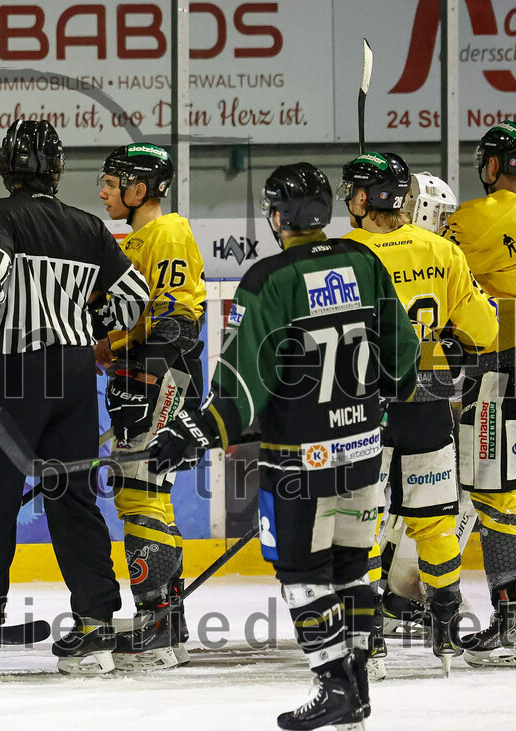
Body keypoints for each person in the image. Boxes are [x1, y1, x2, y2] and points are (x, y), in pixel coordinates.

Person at [149, 162, 419, 729]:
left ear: (280, 216)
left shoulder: (269, 278)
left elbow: (242, 386)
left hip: (301, 461)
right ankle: (357, 691)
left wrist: (189, 432)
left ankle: (334, 685)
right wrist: (381, 397)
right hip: (363, 452)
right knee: (352, 568)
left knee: (302, 572)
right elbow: (402, 356)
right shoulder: (364, 260)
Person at [0, 120, 151, 677]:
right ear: (58, 170)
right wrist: (91, 322)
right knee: (75, 501)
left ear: (6, 167)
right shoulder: (88, 226)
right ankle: (95, 625)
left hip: (16, 375)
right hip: (73, 375)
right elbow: (134, 296)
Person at [337, 151, 497, 677]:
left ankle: (368, 642)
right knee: (435, 523)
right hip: (427, 406)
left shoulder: (342, 255)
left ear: (362, 198)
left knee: (359, 524)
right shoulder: (442, 250)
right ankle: (447, 631)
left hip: (365, 409)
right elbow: (484, 329)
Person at [94, 143, 206, 670]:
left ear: (139, 190)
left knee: (139, 496)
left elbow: (179, 321)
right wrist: (114, 346)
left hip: (158, 376)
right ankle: (166, 622)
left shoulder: (168, 232)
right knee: (148, 497)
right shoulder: (140, 239)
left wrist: (145, 376)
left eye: (111, 183)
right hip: (144, 373)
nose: (102, 192)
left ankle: (156, 627)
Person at [442, 120, 516, 667]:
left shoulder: (475, 218)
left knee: (497, 497)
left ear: (492, 166)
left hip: (501, 367)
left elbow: (432, 269)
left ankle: (512, 623)